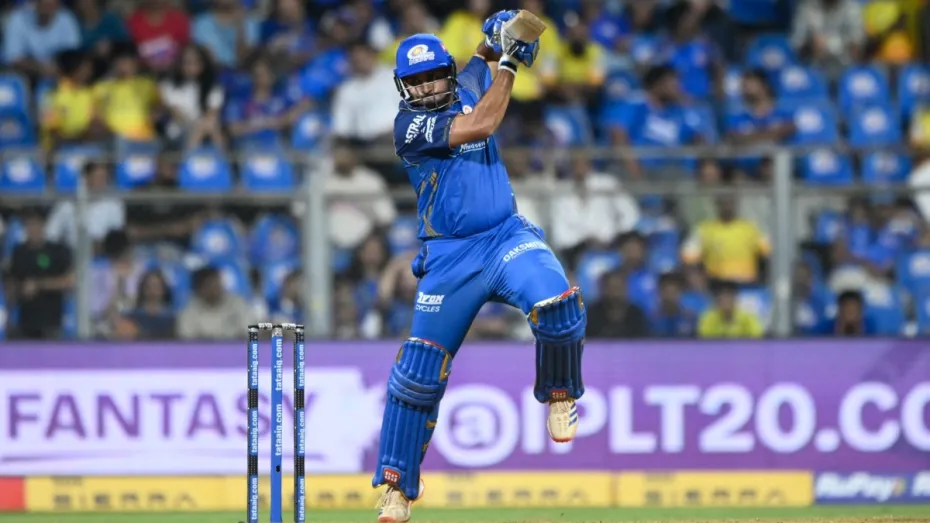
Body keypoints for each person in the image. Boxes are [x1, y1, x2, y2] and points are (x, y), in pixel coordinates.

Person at [372, 13, 586, 523]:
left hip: (504, 235)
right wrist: (511, 62)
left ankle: (560, 393)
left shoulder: (467, 80)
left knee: (557, 304)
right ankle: (397, 488)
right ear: (403, 86)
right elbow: (483, 124)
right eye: (416, 81)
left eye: (434, 76)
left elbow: (485, 55)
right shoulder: (410, 127)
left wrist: (499, 36)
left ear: (448, 72)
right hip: (450, 257)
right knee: (417, 374)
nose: (426, 88)